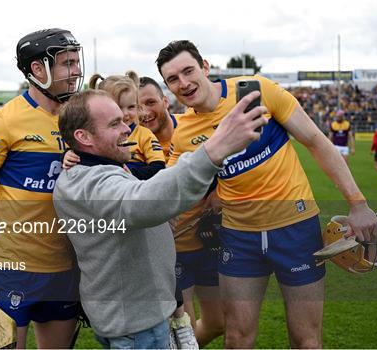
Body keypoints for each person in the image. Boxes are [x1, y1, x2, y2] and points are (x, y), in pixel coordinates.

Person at [156, 40, 377, 348]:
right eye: (172, 79)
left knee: (306, 341)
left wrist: (357, 203)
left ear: (205, 67)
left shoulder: (258, 91)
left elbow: (315, 140)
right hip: (238, 237)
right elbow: (172, 188)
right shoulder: (183, 133)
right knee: (236, 338)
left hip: (296, 229)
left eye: (187, 71)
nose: (183, 83)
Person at [54, 89, 266, 349]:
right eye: (114, 123)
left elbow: (132, 207)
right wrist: (214, 149)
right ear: (83, 137)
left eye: (123, 119)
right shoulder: (89, 181)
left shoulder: (97, 168)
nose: (127, 128)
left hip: (135, 318)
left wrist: (159, 219)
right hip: (137, 327)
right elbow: (139, 201)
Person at [0, 28, 84, 349]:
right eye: (67, 63)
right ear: (38, 70)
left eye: (77, 61)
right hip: (10, 269)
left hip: (65, 270)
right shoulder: (5, 121)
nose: (77, 70)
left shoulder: (79, 117)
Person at [139, 77, 225, 347]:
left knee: (218, 323)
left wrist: (218, 192)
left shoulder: (191, 128)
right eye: (136, 105)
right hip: (168, 251)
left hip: (206, 242)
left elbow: (230, 161)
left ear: (165, 101)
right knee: (180, 331)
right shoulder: (130, 145)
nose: (144, 112)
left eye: (150, 102)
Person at [65, 72, 166, 180]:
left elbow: (159, 167)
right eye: (118, 107)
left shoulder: (144, 134)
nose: (124, 114)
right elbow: (83, 152)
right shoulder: (95, 132)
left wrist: (132, 173)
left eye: (131, 107)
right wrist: (67, 155)